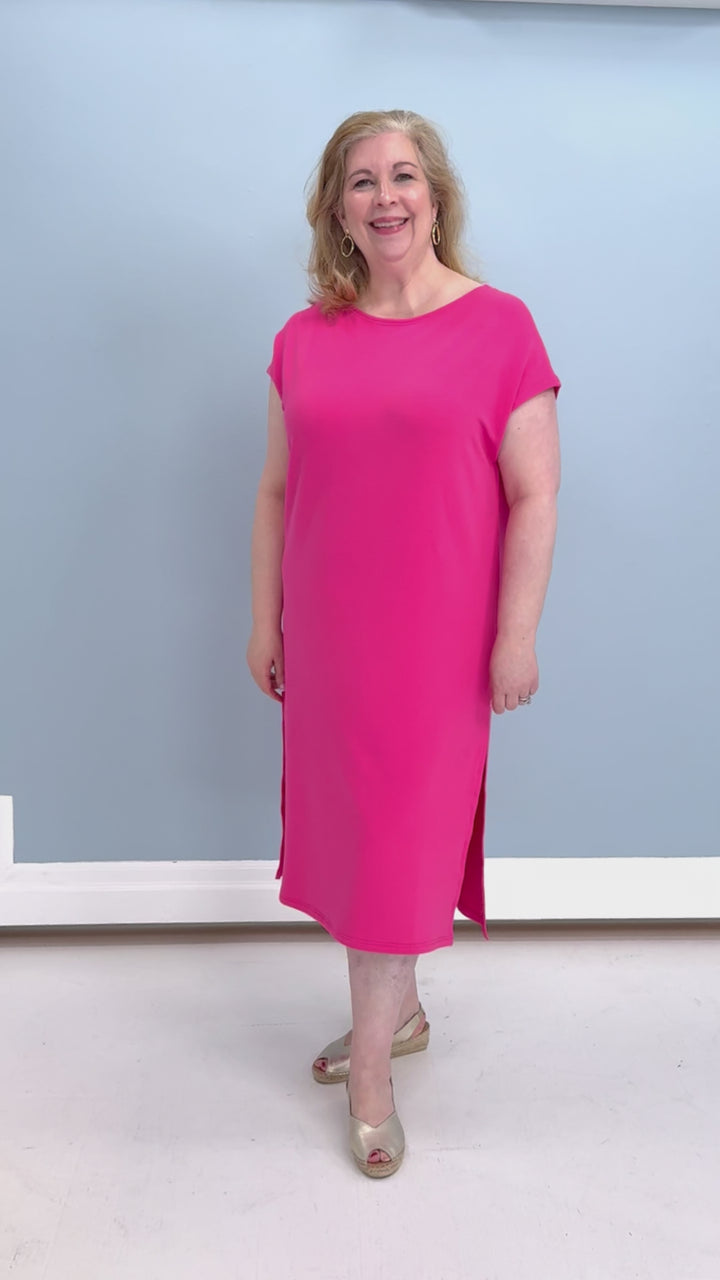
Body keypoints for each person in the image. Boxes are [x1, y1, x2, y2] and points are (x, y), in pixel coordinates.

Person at [247, 109, 561, 1178]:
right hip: (330, 644)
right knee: (357, 845)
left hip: (437, 648)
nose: (386, 196)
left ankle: (373, 1073)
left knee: (396, 848)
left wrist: (517, 634)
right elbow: (277, 490)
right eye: (362, 180)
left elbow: (535, 493)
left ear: (436, 196)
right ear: (337, 210)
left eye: (404, 176)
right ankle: (405, 1013)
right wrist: (264, 620)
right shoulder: (303, 339)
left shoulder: (501, 328)